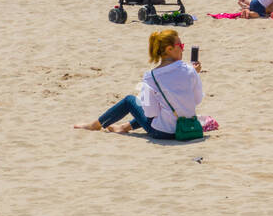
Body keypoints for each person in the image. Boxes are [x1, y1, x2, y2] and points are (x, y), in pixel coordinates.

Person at [74, 29, 203, 137]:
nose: (183, 50)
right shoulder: (190, 70)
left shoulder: (151, 76)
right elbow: (197, 100)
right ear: (169, 49)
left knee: (130, 100)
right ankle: (124, 127)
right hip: (190, 128)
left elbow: (150, 113)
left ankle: (95, 125)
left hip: (164, 133)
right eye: (181, 46)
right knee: (161, 106)